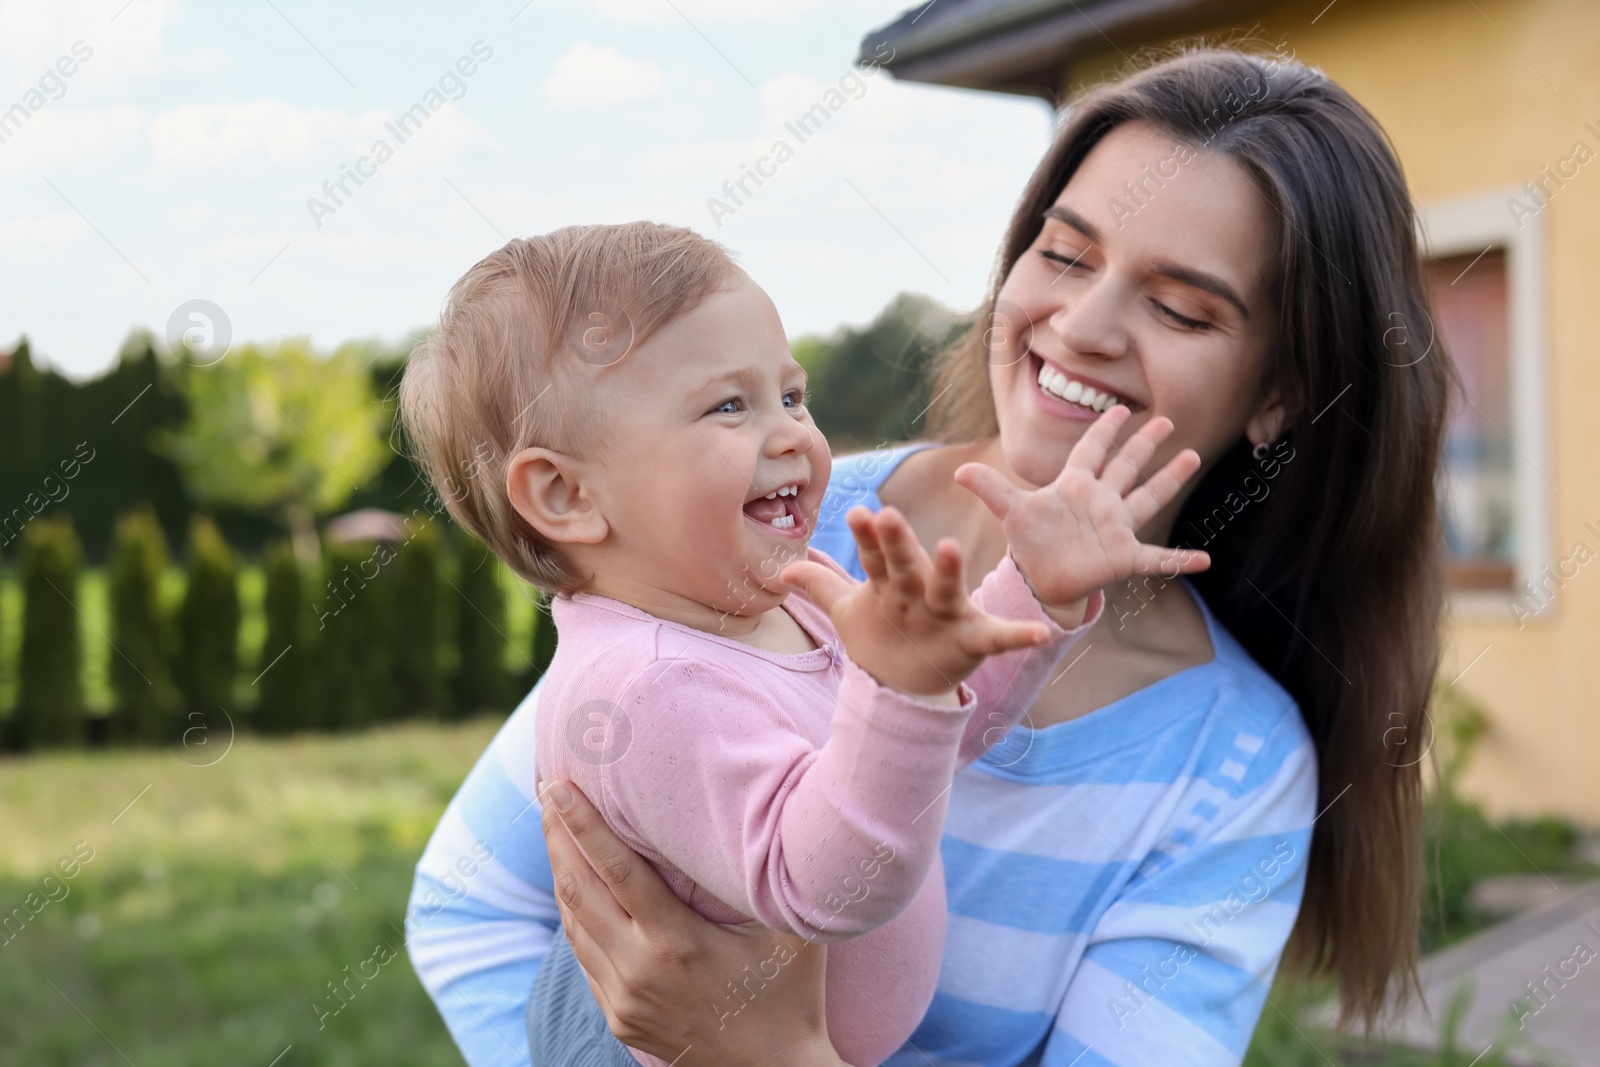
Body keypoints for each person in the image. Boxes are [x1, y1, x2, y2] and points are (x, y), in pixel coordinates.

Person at [405, 46, 1452, 1067]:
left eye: (1180, 306)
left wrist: (770, 1054)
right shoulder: (762, 531)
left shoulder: (1235, 767)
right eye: (1064, 253)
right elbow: (476, 907)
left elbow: (924, 730)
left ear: (1279, 391)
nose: (1081, 324)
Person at [398, 219, 1211, 1066]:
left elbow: (936, 741)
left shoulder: (778, 597)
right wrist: (897, 689)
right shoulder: (648, 689)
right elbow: (824, 883)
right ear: (565, 493)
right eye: (728, 406)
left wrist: (1032, 590)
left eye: (791, 395)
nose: (792, 434)